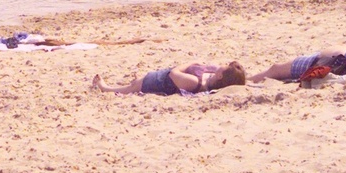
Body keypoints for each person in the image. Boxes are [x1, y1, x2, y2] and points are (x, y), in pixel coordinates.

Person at [91, 61, 247, 96]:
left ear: (220, 76)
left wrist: (189, 63)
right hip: (164, 75)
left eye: (225, 66)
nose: (222, 65)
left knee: (131, 88)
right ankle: (137, 81)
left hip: (161, 82)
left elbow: (174, 73)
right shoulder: (213, 73)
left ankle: (106, 88)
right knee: (138, 80)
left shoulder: (195, 82)